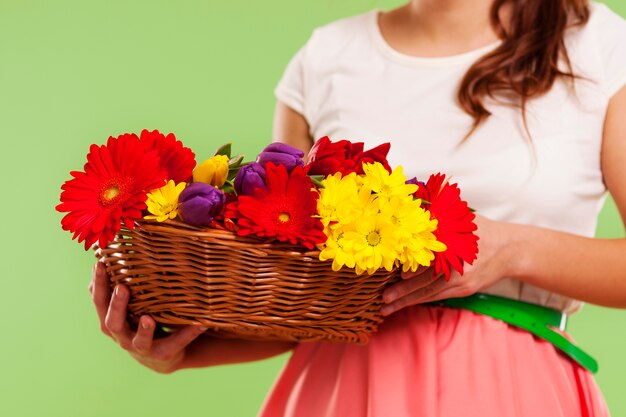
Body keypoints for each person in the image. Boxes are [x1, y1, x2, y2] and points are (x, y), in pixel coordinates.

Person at [90, 0, 626, 415]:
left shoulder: (600, 46)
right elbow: (297, 297)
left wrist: (513, 250)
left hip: (514, 390)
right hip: (341, 389)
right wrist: (184, 350)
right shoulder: (326, 59)